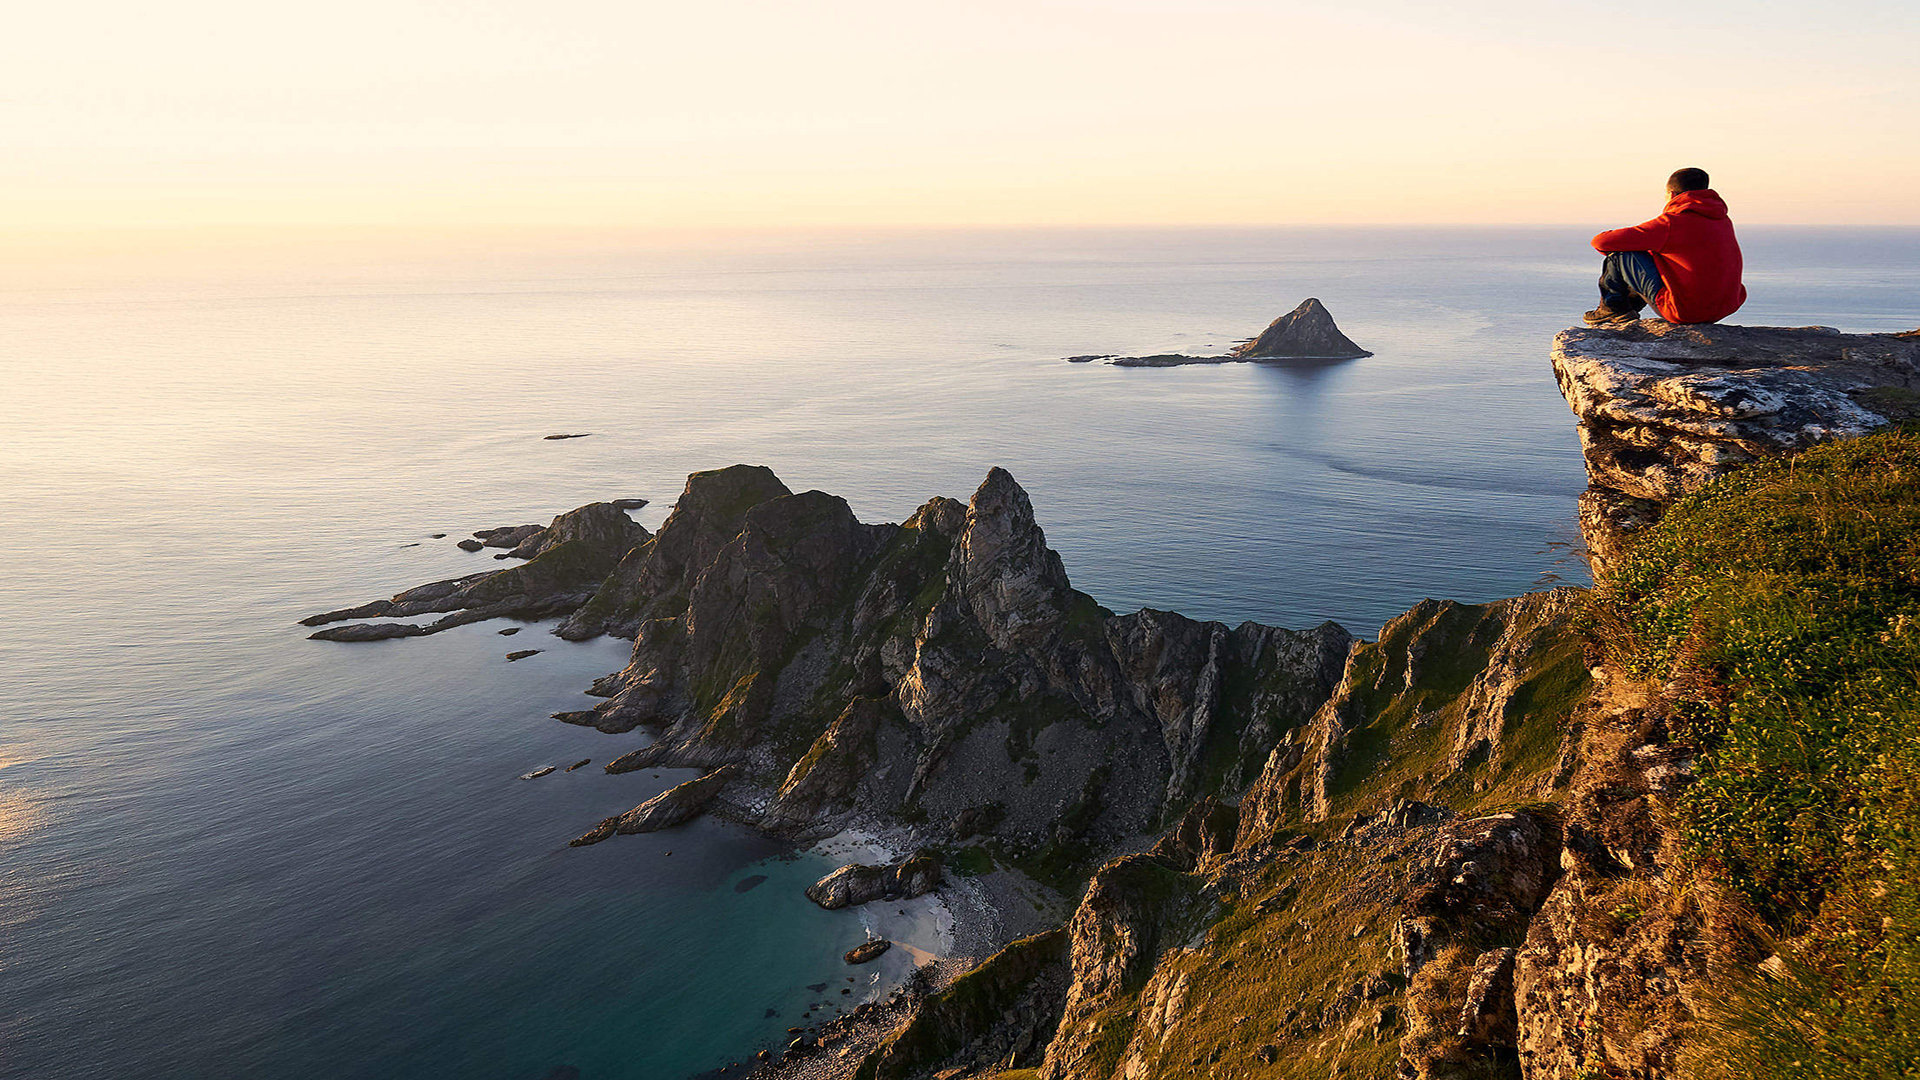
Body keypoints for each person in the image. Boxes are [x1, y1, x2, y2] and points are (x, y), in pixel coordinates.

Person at [1584, 167, 1746, 327]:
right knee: (1651, 252)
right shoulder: (1722, 220)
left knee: (1621, 255)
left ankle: (1614, 308)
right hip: (1725, 307)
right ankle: (1626, 307)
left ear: (1672, 195)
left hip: (1686, 311)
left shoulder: (1671, 223)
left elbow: (1601, 242)